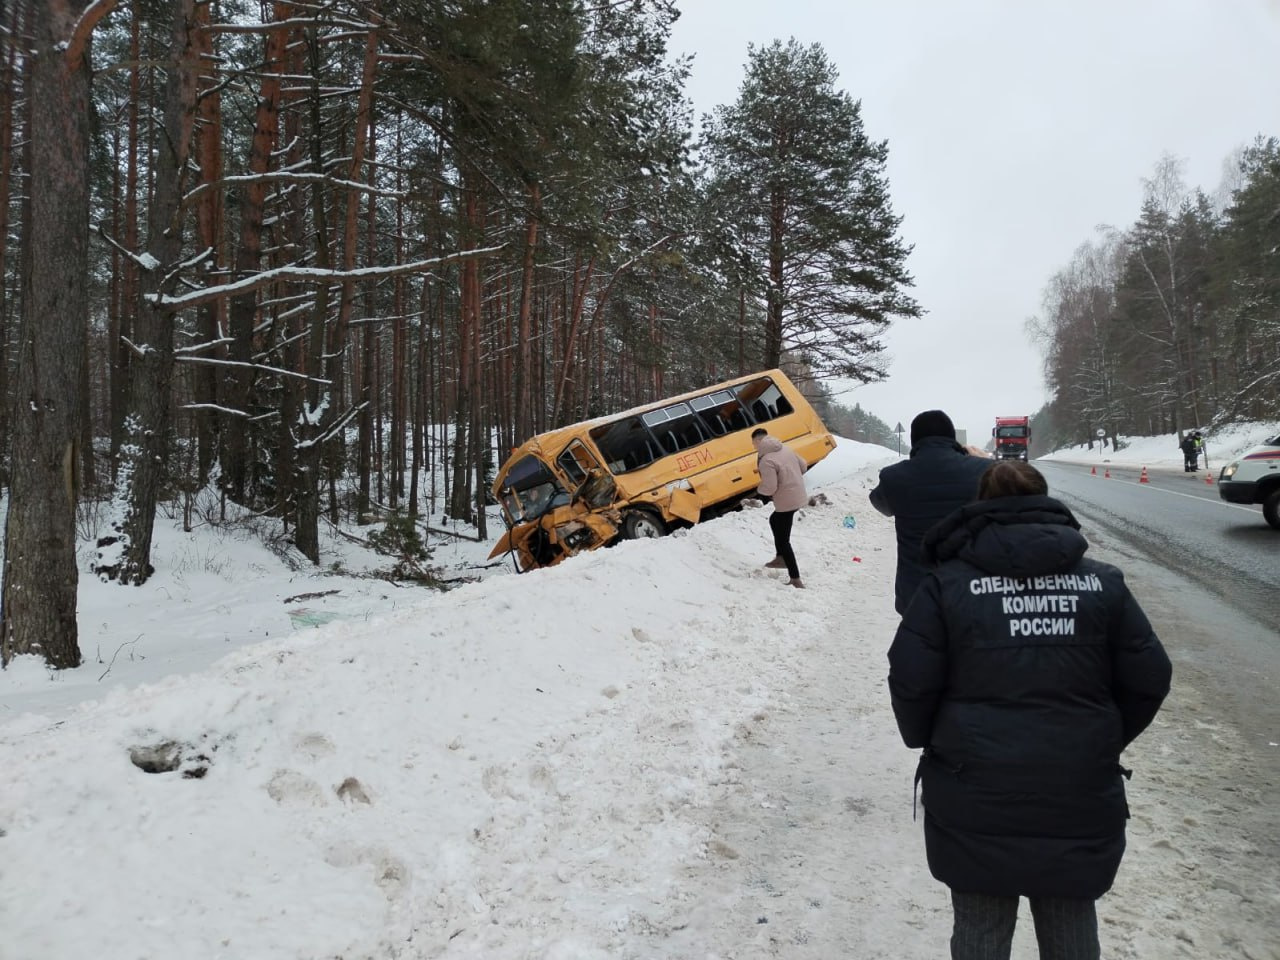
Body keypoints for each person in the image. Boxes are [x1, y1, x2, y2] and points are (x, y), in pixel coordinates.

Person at [887, 461, 1172, 960]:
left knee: (979, 920)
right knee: (1070, 915)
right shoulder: (1103, 584)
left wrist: (930, 740)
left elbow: (911, 679)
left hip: (973, 782)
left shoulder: (946, 585)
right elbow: (1150, 677)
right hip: (1078, 783)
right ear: (1045, 503)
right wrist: (1103, 737)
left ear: (979, 506)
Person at [869, 410, 992, 615]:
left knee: (922, 645)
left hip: (917, 593)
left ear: (915, 440)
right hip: (972, 589)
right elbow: (1015, 495)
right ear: (952, 438)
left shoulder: (895, 476)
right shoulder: (983, 470)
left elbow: (880, 504)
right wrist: (986, 462)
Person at [752, 427, 808, 589]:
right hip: (798, 494)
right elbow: (803, 466)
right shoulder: (786, 448)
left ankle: (795, 578)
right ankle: (780, 558)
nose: (754, 448)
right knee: (774, 520)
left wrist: (759, 490)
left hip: (786, 500)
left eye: (754, 444)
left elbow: (770, 487)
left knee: (784, 540)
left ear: (758, 442)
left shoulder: (766, 460)